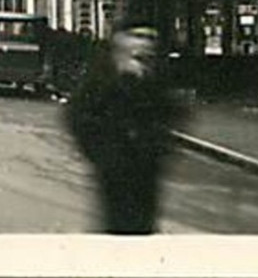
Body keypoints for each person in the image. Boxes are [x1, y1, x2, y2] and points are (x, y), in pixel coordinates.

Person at [64, 20, 186, 234]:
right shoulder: (102, 75)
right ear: (120, 40)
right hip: (114, 175)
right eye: (137, 36)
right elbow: (78, 115)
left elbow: (173, 113)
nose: (145, 44)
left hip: (147, 175)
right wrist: (104, 155)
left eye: (150, 38)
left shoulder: (154, 77)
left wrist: (158, 148)